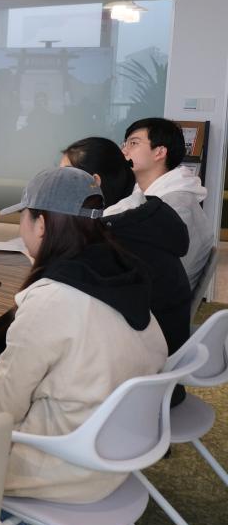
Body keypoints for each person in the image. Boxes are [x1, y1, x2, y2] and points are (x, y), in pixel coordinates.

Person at [0, 167, 167, 505]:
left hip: (58, 467)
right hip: (119, 453)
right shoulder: (127, 275)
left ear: (41, 225)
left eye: (23, 217)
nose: (21, 226)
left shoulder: (52, 300)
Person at [60, 137, 192, 374]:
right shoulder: (145, 215)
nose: (57, 184)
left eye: (64, 176)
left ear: (94, 182)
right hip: (163, 365)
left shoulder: (110, 239)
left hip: (132, 374)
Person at [107, 117, 215, 290]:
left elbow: (158, 268)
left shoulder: (175, 204)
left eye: (133, 143)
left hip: (155, 299)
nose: (124, 151)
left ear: (159, 152)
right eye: (124, 143)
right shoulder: (146, 194)